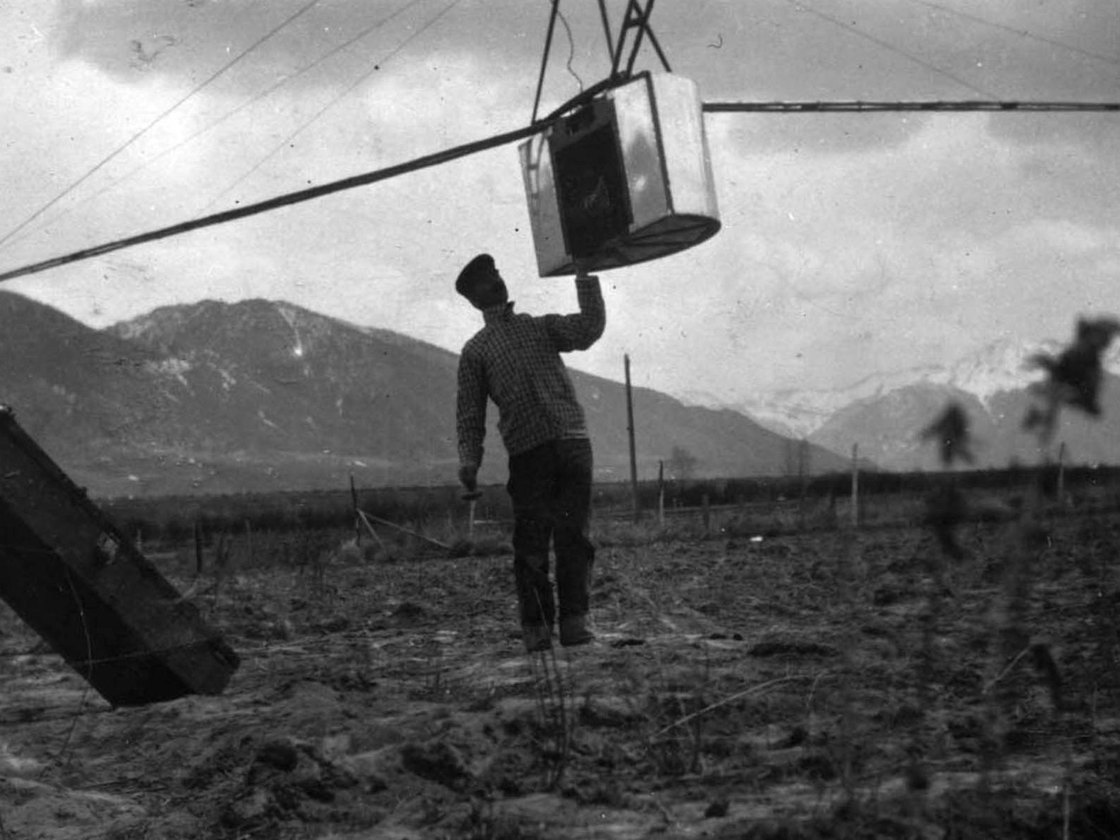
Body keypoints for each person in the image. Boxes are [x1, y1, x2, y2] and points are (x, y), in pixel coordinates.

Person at [455, 253, 606, 652]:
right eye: (486, 280)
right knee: (532, 546)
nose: (497, 281)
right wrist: (469, 460)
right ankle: (537, 632)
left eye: (497, 273)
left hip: (573, 443)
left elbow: (588, 328)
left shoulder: (540, 327)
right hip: (527, 454)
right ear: (473, 298)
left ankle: (575, 625)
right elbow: (470, 414)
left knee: (575, 537)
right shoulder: (475, 352)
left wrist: (584, 276)